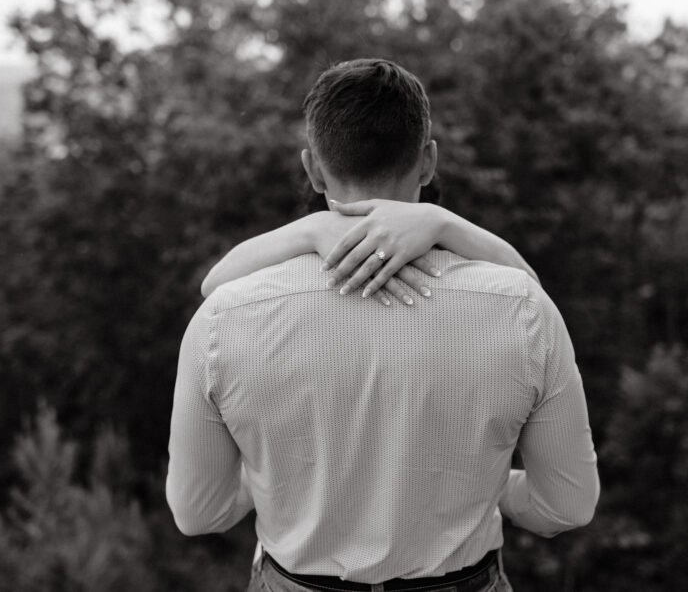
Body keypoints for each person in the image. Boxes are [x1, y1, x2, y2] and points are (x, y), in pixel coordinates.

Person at [166, 58, 599, 592]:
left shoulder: (223, 318)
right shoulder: (522, 308)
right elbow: (569, 506)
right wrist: (495, 488)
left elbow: (197, 512)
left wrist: (275, 482)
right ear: (428, 162)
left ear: (314, 169)